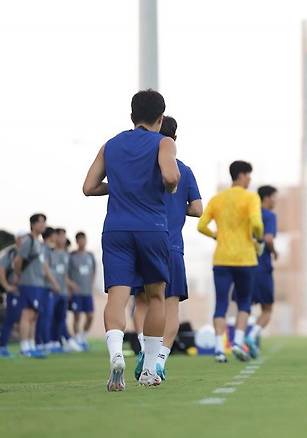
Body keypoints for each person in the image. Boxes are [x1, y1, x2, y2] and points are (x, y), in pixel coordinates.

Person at [83, 89, 180, 390]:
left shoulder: (110, 145)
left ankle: (116, 355)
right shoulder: (165, 142)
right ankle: (150, 369)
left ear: (131, 116)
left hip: (115, 230)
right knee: (155, 296)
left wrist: (122, 185)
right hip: (151, 228)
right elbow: (172, 177)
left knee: (117, 296)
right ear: (161, 117)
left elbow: (89, 187)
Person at [132, 115, 203, 380]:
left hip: (141, 244)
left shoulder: (141, 167)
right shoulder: (183, 170)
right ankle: (159, 359)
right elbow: (197, 209)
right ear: (174, 139)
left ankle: (143, 348)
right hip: (171, 246)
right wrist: (178, 209)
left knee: (141, 302)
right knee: (171, 306)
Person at [198, 160, 263, 363]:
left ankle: (218, 348)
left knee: (221, 303)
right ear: (242, 175)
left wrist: (216, 236)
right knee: (244, 303)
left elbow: (201, 225)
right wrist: (257, 238)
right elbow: (257, 224)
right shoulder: (251, 197)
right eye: (249, 175)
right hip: (245, 259)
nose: (250, 179)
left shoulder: (217, 199)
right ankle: (237, 343)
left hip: (222, 259)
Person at [13, 214, 59, 358]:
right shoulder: (29, 241)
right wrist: (19, 275)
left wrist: (53, 283)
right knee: (27, 314)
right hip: (29, 283)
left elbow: (44, 266)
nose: (44, 225)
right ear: (33, 224)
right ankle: (24, 347)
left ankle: (31, 345)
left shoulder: (39, 243)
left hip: (37, 284)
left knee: (34, 315)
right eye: (41, 222)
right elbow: (18, 260)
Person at [245, 185, 278, 357]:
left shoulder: (250, 213)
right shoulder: (269, 216)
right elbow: (268, 238)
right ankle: (251, 336)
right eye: (274, 197)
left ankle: (239, 342)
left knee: (245, 307)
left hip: (244, 265)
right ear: (266, 198)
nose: (276, 200)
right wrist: (274, 251)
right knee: (267, 309)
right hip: (262, 266)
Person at [0, 231, 28, 357]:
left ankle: (26, 346)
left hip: (24, 291)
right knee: (10, 319)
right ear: (17, 239)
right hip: (13, 292)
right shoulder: (11, 253)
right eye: (22, 238)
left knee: (25, 318)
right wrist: (7, 286)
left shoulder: (27, 253)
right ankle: (2, 346)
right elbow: (1, 270)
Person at [69, 232, 96, 350]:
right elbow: (66, 273)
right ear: (77, 241)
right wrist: (71, 285)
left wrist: (91, 283)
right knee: (76, 316)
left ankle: (83, 336)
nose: (82, 242)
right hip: (76, 292)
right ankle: (77, 338)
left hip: (87, 291)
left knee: (90, 316)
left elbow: (94, 271)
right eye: (80, 240)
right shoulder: (72, 256)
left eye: (84, 239)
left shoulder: (90, 256)